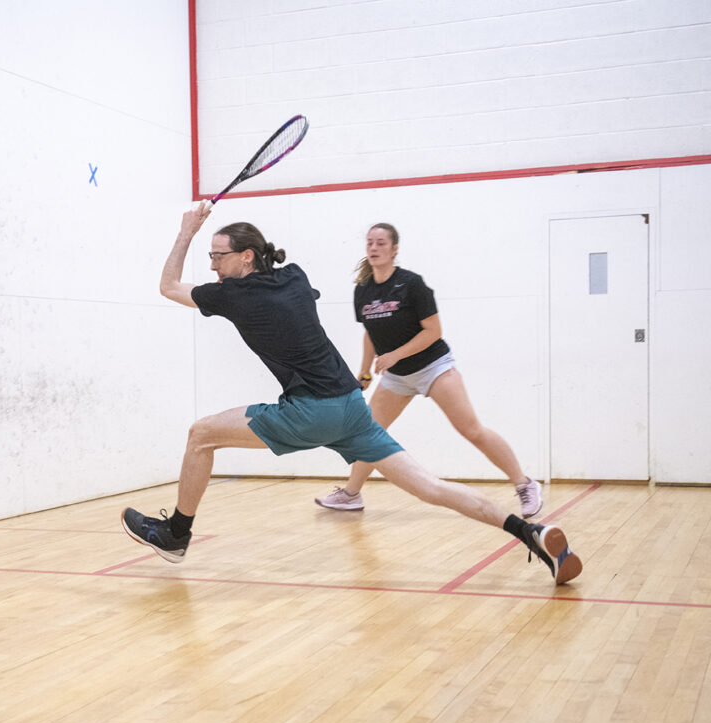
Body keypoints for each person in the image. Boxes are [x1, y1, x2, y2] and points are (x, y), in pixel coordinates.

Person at [120, 203, 582, 586]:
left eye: (218, 257)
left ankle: (176, 534)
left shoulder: (233, 296)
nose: (213, 268)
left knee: (201, 434)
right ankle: (530, 532)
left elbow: (166, 286)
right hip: (352, 407)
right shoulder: (295, 276)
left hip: (311, 411)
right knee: (430, 487)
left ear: (244, 258)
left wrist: (185, 232)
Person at [315, 223, 542, 518]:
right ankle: (351, 495)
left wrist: (394, 355)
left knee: (471, 430)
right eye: (370, 243)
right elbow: (370, 333)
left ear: (394, 249)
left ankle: (525, 485)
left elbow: (433, 331)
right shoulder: (363, 290)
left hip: (434, 368)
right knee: (369, 434)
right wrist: (364, 372)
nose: (374, 248)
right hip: (397, 376)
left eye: (381, 243)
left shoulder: (412, 284)